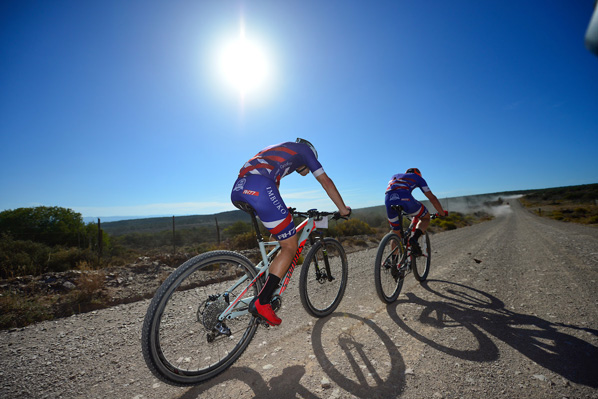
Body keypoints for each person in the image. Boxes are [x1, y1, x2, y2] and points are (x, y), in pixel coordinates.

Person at [231, 138, 351, 326]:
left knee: (279, 234)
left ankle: (266, 280)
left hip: (239, 188)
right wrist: (342, 209)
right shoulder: (305, 150)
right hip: (260, 188)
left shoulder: (278, 150)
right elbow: (325, 181)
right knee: (290, 245)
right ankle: (262, 303)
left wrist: (282, 208)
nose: (303, 171)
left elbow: (274, 184)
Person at [385, 168, 446, 255]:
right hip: (405, 199)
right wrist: (442, 213)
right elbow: (432, 197)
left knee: (396, 232)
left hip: (388, 200)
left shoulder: (395, 176)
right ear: (419, 174)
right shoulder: (418, 178)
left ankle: (393, 265)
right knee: (425, 217)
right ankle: (414, 239)